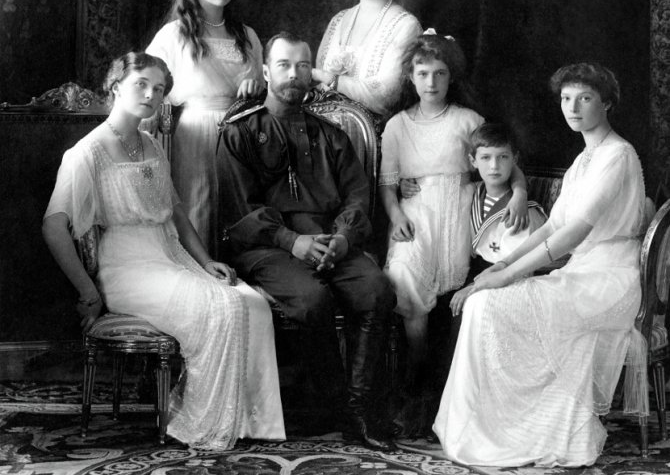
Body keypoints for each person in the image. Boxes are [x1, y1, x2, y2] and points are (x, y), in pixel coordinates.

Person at [42, 52, 284, 450]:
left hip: (171, 257)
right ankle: (204, 422)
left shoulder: (152, 144)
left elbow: (177, 213)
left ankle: (252, 422)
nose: (151, 95)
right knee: (222, 307)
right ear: (116, 86)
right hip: (127, 269)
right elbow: (53, 228)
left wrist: (206, 261)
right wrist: (88, 291)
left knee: (252, 304)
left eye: (158, 89)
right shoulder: (86, 152)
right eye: (141, 84)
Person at [434, 62, 648, 467]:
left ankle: (524, 430)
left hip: (609, 281)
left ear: (606, 103)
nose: (573, 107)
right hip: (582, 274)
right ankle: (501, 427)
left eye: (585, 98)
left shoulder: (617, 155)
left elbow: (573, 234)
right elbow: (552, 225)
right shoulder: (585, 159)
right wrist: (501, 266)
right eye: (566, 98)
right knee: (483, 302)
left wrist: (505, 277)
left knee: (486, 302)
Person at [217, 32, 396, 451]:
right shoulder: (240, 133)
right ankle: (333, 403)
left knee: (377, 290)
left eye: (302, 65)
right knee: (313, 300)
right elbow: (239, 211)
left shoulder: (332, 135)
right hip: (267, 247)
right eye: (283, 65)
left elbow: (357, 197)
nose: (294, 74)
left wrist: (343, 239)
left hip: (331, 241)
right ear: (265, 71)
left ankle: (358, 409)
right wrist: (292, 241)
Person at [379, 32, 529, 437]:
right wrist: (396, 214)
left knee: (458, 293)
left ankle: (444, 392)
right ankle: (416, 377)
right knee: (405, 277)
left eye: (440, 73)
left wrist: (519, 194)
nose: (431, 82)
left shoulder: (467, 120)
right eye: (423, 73)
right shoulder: (396, 126)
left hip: (462, 211)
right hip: (416, 213)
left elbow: (504, 163)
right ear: (410, 77)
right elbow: (387, 185)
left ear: (450, 76)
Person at [146, 0, 264, 255]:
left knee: (238, 206)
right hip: (195, 132)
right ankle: (200, 269)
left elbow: (261, 89)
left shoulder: (247, 36)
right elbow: (147, 82)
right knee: (198, 203)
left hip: (241, 133)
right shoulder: (175, 35)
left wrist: (254, 91)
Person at [313, 0, 422, 122]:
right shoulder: (338, 20)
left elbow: (387, 95)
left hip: (373, 132)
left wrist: (332, 80)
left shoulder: (406, 26)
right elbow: (318, 82)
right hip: (324, 127)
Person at [467, 123, 547, 278]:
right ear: (473, 161)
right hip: (474, 273)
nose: (494, 166)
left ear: (514, 159)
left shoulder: (523, 212)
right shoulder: (472, 194)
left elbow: (518, 269)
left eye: (503, 157)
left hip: (507, 276)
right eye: (485, 157)